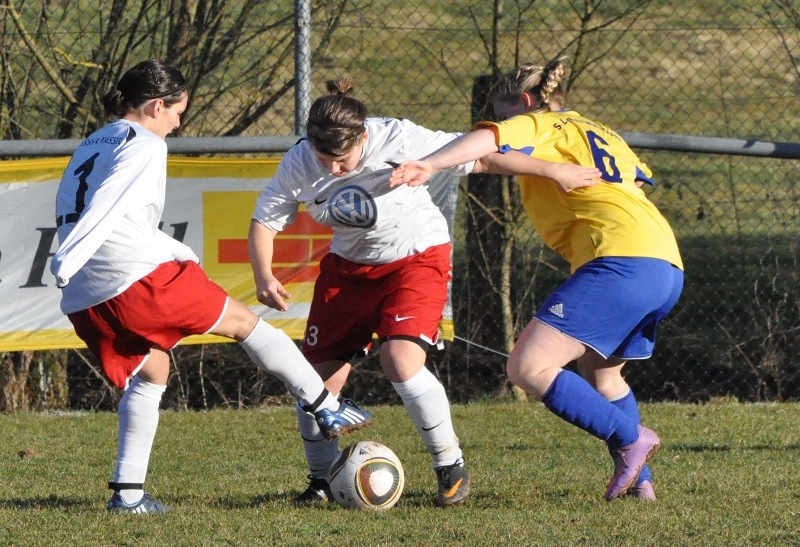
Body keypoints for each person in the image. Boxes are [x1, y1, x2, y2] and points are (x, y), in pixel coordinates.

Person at [248, 77, 600, 507]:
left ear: (363, 136)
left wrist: (554, 170)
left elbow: (484, 157)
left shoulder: (398, 136)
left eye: (342, 160)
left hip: (417, 258)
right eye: (325, 160)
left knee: (399, 359)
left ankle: (449, 466)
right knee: (314, 383)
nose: (333, 170)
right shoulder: (300, 160)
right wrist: (263, 274)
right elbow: (265, 221)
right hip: (348, 269)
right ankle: (322, 480)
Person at [50, 60, 372, 514]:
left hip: (87, 293)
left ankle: (128, 495)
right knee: (248, 325)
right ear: (158, 105)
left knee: (151, 373)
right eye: (178, 111)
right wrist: (67, 257)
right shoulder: (145, 144)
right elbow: (107, 204)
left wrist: (170, 253)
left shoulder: (93, 141)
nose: (179, 122)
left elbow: (102, 213)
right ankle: (325, 403)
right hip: (132, 276)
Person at [389, 58, 684, 501]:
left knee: (527, 368)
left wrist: (429, 165)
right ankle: (640, 485)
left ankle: (632, 436)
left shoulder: (540, 124)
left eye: (507, 114)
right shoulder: (600, 131)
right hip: (664, 261)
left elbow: (489, 142)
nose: (507, 124)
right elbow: (634, 184)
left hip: (619, 259)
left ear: (525, 104)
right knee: (602, 375)